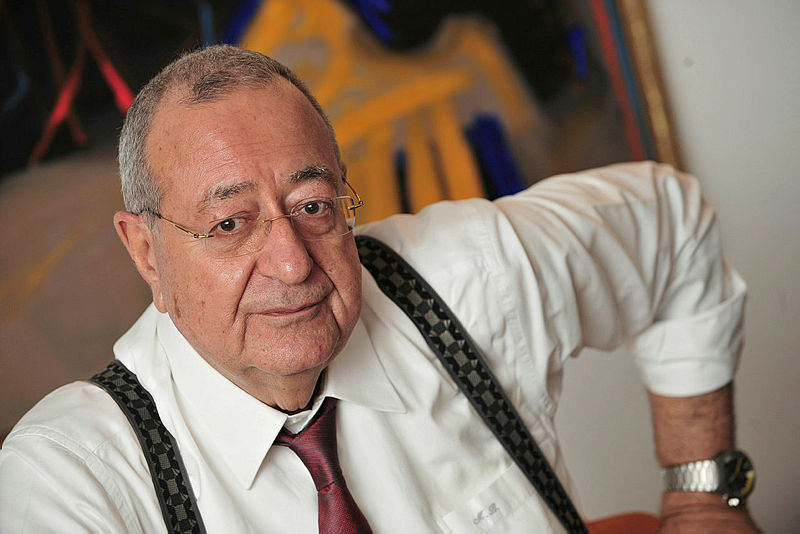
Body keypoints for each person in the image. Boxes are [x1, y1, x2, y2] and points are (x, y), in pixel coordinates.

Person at [0, 45, 759, 533]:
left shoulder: (458, 278)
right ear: (147, 253)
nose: (292, 263)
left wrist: (702, 495)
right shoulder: (74, 478)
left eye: (313, 205)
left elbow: (668, 223)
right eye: (230, 224)